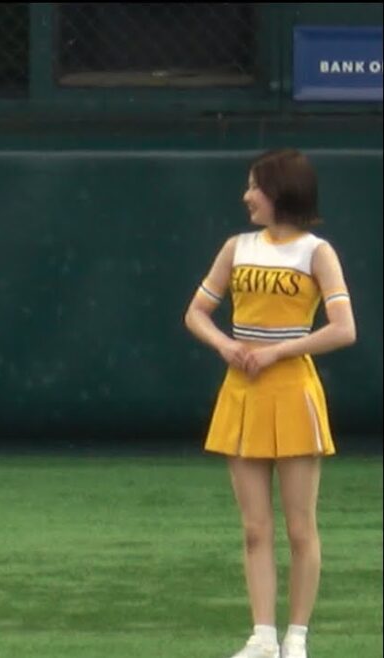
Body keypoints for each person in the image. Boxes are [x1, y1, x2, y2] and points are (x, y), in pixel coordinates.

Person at [184, 148, 357, 658]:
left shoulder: (316, 252)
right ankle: (262, 638)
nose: (246, 196)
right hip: (242, 392)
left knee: (300, 528)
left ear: (280, 191)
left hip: (292, 392)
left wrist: (279, 350)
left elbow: (344, 329)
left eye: (254, 187)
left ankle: (296, 639)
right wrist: (226, 346)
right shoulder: (236, 248)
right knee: (255, 528)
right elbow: (196, 313)